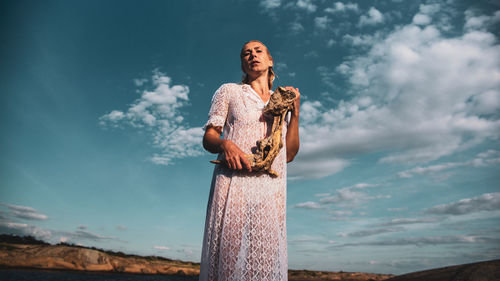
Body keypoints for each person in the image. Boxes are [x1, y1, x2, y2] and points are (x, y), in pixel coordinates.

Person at [199, 40, 300, 281]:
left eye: (258, 51)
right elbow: (209, 137)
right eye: (246, 53)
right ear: (243, 64)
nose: (252, 55)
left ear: (270, 60)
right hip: (234, 183)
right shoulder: (229, 91)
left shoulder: (282, 102)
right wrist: (225, 144)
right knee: (228, 261)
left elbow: (288, 155)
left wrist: (295, 112)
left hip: (271, 188)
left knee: (265, 262)